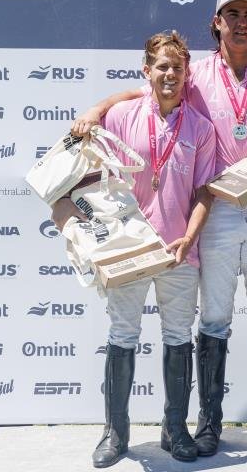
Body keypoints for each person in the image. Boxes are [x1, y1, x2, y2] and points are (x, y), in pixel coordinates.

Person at [71, 0, 247, 456]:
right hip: (213, 215)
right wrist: (95, 108)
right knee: (212, 319)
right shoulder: (194, 76)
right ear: (217, 22)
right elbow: (148, 87)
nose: (241, 22)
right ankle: (207, 426)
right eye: (231, 14)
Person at [52, 31, 217, 467]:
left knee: (179, 338)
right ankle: (115, 433)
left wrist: (191, 236)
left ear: (186, 74)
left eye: (177, 68)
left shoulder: (200, 128)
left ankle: (175, 428)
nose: (170, 74)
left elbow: (204, 192)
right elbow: (84, 170)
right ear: (147, 71)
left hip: (178, 251)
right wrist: (92, 111)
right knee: (123, 336)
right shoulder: (123, 115)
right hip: (127, 249)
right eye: (162, 66)